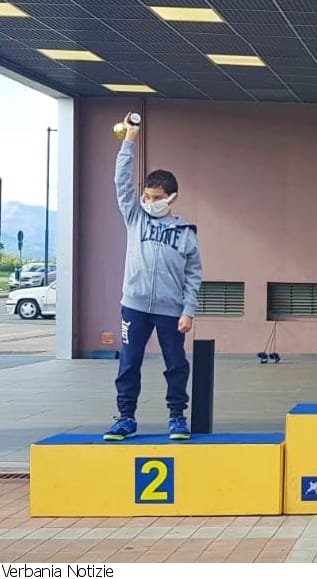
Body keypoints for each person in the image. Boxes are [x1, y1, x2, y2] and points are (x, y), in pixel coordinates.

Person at [104, 113, 203, 441]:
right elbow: (121, 182)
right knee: (129, 362)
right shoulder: (135, 217)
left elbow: (194, 275)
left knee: (176, 364)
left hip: (171, 310)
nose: (150, 202)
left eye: (157, 198)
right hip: (133, 306)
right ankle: (125, 417)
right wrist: (129, 140)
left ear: (172, 198)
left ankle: (177, 417)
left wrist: (188, 310)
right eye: (147, 196)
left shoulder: (186, 232)